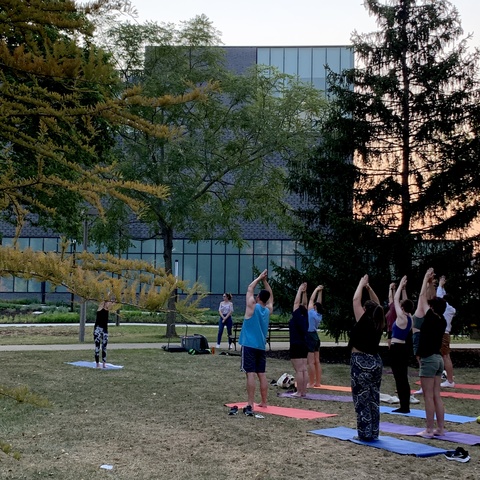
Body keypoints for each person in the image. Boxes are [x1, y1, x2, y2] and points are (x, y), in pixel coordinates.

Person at [412, 268, 447, 438]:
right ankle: (440, 429)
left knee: (428, 396)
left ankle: (429, 430)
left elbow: (422, 299)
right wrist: (431, 283)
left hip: (429, 360)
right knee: (436, 395)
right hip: (438, 359)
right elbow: (431, 300)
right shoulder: (442, 319)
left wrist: (425, 279)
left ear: (433, 308)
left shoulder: (431, 317)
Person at [350, 275, 385, 441]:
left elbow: (356, 299)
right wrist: (369, 288)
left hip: (361, 362)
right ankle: (374, 432)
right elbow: (378, 304)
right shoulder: (379, 320)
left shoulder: (364, 320)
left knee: (361, 398)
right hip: (376, 362)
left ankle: (364, 434)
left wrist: (361, 284)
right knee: (373, 398)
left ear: (365, 310)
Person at [239, 269, 274, 416]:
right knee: (262, 374)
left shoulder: (252, 306)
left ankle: (250, 403)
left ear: (258, 297)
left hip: (249, 345)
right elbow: (271, 296)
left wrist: (259, 278)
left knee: (251, 374)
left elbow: (249, 288)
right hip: (260, 346)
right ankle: (264, 402)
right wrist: (266, 281)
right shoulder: (268, 310)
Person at [390, 276, 415, 413]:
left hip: (397, 349)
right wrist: (404, 288)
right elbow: (405, 302)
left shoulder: (402, 317)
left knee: (399, 378)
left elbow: (395, 300)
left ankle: (404, 406)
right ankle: (405, 405)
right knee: (403, 377)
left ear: (403, 307)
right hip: (403, 348)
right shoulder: (410, 317)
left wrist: (400, 286)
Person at [289, 283, 309, 398]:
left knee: (298, 370)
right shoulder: (305, 317)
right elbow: (304, 304)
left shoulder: (296, 317)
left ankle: (299, 392)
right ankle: (304, 391)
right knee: (304, 369)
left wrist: (300, 289)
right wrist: (304, 293)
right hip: (304, 344)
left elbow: (297, 303)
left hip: (296, 344)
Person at [436, 276, 457, 388]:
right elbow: (442, 296)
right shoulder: (451, 309)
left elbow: (439, 297)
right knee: (445, 356)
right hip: (445, 333)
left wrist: (440, 285)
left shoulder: (446, 308)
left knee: (446, 356)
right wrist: (442, 286)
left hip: (443, 334)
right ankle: (448, 378)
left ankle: (449, 381)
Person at [306, 285, 324, 387]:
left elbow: (312, 299)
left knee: (311, 362)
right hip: (316, 336)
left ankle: (311, 382)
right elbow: (318, 303)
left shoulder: (311, 312)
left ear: (314, 307)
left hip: (310, 336)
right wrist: (320, 292)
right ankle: (317, 382)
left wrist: (316, 289)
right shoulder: (319, 314)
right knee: (317, 361)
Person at [94, 299, 114, 368]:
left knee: (104, 347)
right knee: (97, 347)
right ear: (105, 302)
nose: (110, 304)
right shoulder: (100, 308)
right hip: (98, 330)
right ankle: (97, 364)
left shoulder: (107, 310)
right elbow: (103, 300)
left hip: (105, 330)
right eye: (109, 302)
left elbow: (114, 303)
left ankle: (104, 363)